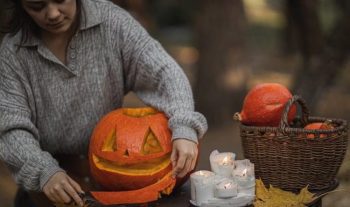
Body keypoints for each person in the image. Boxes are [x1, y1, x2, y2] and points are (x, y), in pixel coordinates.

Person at [0, 0, 208, 206]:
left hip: (111, 182)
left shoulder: (111, 22)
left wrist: (184, 123)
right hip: (48, 188)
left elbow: (164, 72)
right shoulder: (12, 53)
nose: (53, 13)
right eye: (37, 6)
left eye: (60, 0)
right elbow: (11, 127)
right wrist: (43, 172)